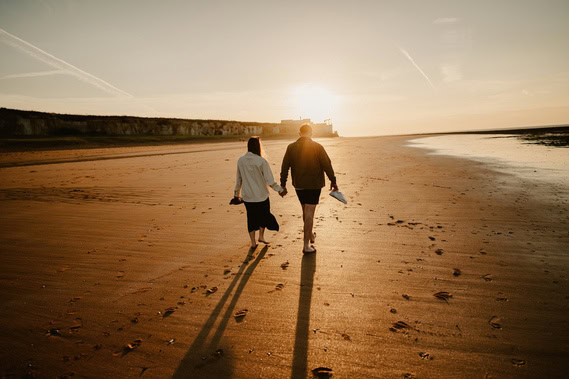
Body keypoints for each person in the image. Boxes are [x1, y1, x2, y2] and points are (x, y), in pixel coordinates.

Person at [280, 124, 338, 254]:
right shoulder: (317, 147)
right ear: (311, 133)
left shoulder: (291, 147)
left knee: (305, 211)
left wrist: (283, 184)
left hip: (299, 185)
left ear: (299, 133)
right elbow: (327, 165)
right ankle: (306, 245)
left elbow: (285, 167)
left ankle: (310, 235)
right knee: (310, 213)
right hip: (314, 184)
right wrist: (333, 181)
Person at [234, 136, 285, 250]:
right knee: (264, 215)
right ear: (258, 146)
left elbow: (239, 179)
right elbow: (270, 180)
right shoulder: (261, 161)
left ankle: (253, 242)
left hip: (247, 196)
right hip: (261, 196)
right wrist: (280, 190)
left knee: (251, 218)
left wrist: (236, 194)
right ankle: (261, 236)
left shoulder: (241, 160)